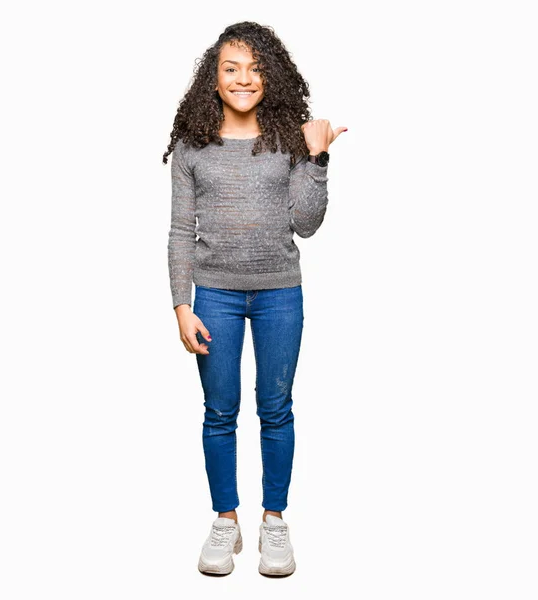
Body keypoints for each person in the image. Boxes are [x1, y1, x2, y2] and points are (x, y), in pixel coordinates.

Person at [163, 21, 346, 577]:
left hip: (278, 296)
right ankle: (226, 520)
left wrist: (317, 159)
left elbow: (306, 225)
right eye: (230, 68)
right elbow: (178, 232)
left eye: (255, 69)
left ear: (271, 76)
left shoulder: (290, 138)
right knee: (219, 413)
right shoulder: (193, 146)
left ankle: (274, 521)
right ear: (212, 77)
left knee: (276, 410)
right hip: (213, 295)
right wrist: (181, 304)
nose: (243, 80)